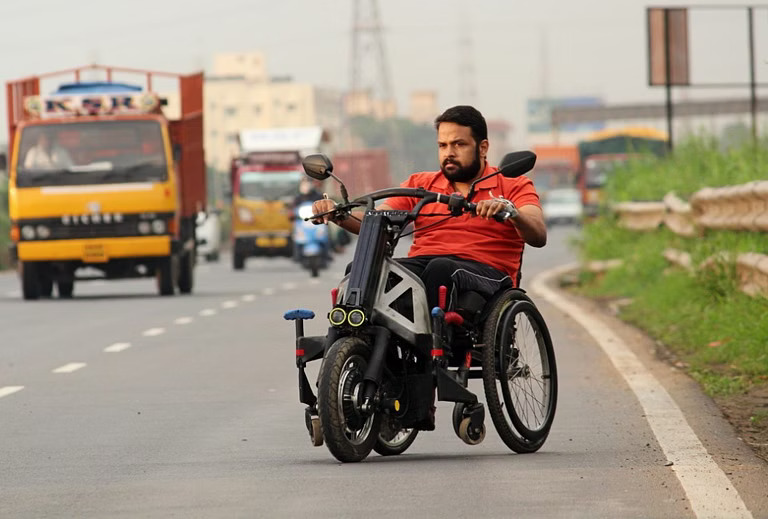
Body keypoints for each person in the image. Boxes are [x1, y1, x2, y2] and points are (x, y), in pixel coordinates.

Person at [312, 105, 547, 313]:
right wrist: (337, 214)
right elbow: (376, 219)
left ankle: (434, 350)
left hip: (489, 274)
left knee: (440, 268)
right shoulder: (420, 184)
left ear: (483, 147)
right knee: (361, 269)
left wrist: (510, 211)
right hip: (425, 264)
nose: (449, 153)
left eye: (459, 144)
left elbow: (537, 233)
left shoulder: (513, 184)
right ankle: (356, 345)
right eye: (442, 145)